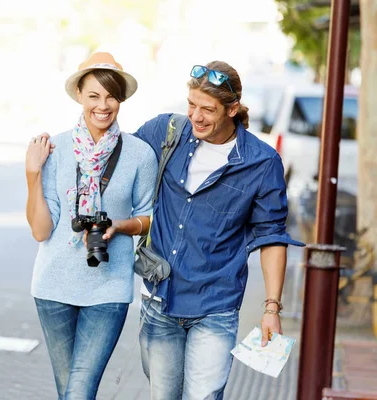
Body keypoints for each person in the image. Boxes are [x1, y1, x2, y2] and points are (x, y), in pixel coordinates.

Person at [134, 61, 305, 400]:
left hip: (216, 307)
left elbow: (271, 237)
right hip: (159, 300)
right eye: (192, 105)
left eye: (208, 109)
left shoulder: (261, 162)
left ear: (232, 109)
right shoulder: (166, 132)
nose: (196, 116)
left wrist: (271, 308)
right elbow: (120, 161)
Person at [25, 52, 158, 400]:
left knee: (79, 390)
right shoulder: (56, 148)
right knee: (69, 391)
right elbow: (41, 231)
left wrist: (119, 226)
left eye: (111, 95)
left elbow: (149, 219)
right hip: (53, 286)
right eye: (94, 95)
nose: (103, 105)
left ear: (122, 99)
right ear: (80, 96)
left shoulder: (140, 154)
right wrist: (32, 174)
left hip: (108, 287)